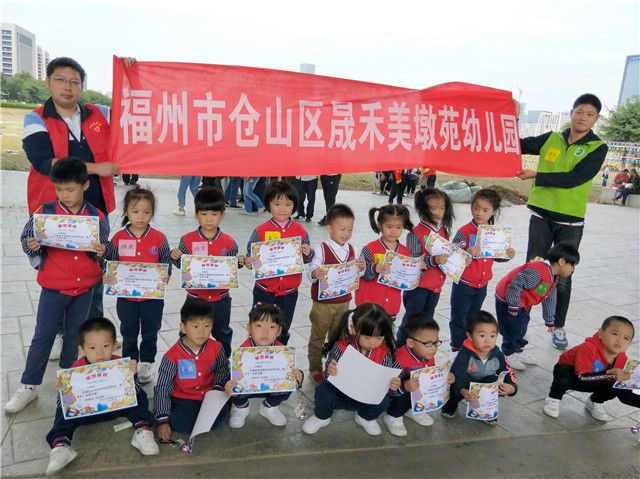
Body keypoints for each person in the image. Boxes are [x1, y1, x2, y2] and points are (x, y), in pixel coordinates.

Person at [23, 56, 124, 340]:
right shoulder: (35, 118)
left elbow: (132, 110)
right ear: (48, 82)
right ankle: (61, 332)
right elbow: (44, 162)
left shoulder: (99, 112)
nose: (67, 87)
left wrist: (131, 73)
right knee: (59, 272)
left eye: (74, 82)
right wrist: (97, 168)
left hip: (95, 209)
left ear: (82, 86)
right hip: (55, 211)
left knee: (93, 268)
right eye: (60, 80)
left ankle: (94, 336)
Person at [5, 158, 109, 414]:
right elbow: (26, 238)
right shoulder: (45, 213)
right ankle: (28, 385)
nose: (65, 195)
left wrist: (101, 251)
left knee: (74, 336)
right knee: (43, 335)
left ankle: (67, 378)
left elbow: (104, 250)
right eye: (59, 189)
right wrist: (32, 246)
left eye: (70, 189)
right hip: (53, 288)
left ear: (85, 185)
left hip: (84, 290)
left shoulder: (97, 216)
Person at [517, 93, 607, 350]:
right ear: (571, 112)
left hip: (570, 222)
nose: (583, 118)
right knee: (532, 271)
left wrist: (537, 175)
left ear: (596, 119)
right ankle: (519, 326)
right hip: (541, 216)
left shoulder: (597, 148)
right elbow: (517, 144)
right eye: (579, 112)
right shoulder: (552, 138)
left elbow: (575, 178)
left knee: (563, 275)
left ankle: (558, 327)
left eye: (589, 114)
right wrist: (510, 120)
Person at [44, 317, 158, 476]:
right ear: (82, 350)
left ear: (114, 345)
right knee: (62, 410)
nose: (100, 353)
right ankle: (61, 445)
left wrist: (132, 377)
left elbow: (135, 390)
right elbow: (63, 404)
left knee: (140, 396)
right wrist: (65, 393)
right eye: (92, 347)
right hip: (86, 414)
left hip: (117, 408)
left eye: (106, 346)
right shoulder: (75, 371)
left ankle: (142, 430)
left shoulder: (120, 365)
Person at [104, 186, 171, 383]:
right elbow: (110, 261)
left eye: (146, 212)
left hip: (152, 299)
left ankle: (147, 362)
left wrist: (166, 275)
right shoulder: (118, 238)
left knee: (151, 331)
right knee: (128, 331)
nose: (141, 216)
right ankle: (130, 362)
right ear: (126, 211)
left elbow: (166, 261)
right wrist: (107, 274)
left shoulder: (159, 238)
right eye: (135, 211)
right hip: (126, 299)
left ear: (152, 213)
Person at [302, 303, 401, 436]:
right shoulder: (342, 346)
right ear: (354, 329)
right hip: (341, 392)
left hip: (367, 395)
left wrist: (393, 385)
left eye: (379, 338)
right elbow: (327, 375)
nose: (373, 343)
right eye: (367, 337)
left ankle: (365, 418)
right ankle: (322, 417)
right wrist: (330, 370)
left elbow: (385, 382)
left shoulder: (385, 352)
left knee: (385, 399)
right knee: (323, 390)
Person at [170, 187, 244, 357]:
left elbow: (231, 269)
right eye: (204, 214)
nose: (209, 218)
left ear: (222, 215)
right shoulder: (187, 240)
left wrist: (239, 262)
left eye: (214, 214)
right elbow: (182, 265)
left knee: (222, 333)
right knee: (189, 333)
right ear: (196, 215)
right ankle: (188, 361)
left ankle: (223, 362)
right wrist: (175, 256)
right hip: (194, 299)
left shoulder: (229, 243)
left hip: (221, 300)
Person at [245, 181, 314, 344]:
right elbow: (251, 252)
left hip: (289, 293)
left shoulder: (300, 231)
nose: (282, 209)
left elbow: (306, 259)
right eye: (277, 204)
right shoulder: (261, 230)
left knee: (282, 328)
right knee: (259, 327)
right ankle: (257, 356)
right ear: (268, 205)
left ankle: (280, 355)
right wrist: (249, 260)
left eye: (287, 204)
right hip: (264, 291)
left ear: (294, 205)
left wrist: (308, 253)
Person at [494, 242, 580, 370]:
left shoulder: (552, 277)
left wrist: (550, 320)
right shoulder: (538, 272)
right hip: (508, 300)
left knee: (521, 326)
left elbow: (549, 298)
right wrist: (513, 305)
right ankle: (508, 354)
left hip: (522, 303)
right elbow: (516, 284)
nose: (573, 269)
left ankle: (517, 350)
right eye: (572, 265)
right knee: (512, 329)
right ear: (562, 261)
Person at [449, 189, 515, 352]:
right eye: (476, 208)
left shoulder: (495, 234)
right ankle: (457, 347)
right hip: (464, 285)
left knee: (474, 318)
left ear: (494, 211)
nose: (479, 213)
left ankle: (470, 346)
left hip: (482, 286)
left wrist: (507, 255)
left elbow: (496, 256)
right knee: (459, 318)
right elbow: (451, 254)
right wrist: (466, 252)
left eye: (485, 210)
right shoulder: (464, 231)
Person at [154, 298, 230, 440]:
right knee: (181, 421)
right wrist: (162, 421)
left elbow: (222, 369)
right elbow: (163, 388)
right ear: (183, 327)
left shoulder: (217, 348)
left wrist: (218, 388)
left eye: (207, 326)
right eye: (195, 326)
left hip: (209, 395)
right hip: (183, 399)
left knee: (221, 415)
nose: (201, 332)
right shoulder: (171, 357)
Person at [307, 204, 365, 384]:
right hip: (322, 304)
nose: (346, 233)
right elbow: (310, 273)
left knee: (338, 336)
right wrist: (315, 273)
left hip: (343, 302)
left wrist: (361, 267)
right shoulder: (321, 249)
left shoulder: (353, 249)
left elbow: (358, 273)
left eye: (350, 229)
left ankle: (333, 366)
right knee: (318, 336)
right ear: (330, 229)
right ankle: (315, 368)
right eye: (342, 229)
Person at [543, 316, 639, 420]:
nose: (620, 340)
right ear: (601, 333)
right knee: (564, 373)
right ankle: (554, 398)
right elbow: (582, 378)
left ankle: (594, 401)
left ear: (629, 343)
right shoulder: (588, 348)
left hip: (595, 380)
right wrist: (610, 375)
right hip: (574, 376)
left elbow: (625, 394)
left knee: (617, 385)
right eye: (615, 334)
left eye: (626, 338)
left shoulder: (623, 359)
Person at [225, 304, 304, 428]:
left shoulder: (283, 353)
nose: (265, 332)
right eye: (259, 325)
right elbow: (234, 375)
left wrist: (298, 376)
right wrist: (233, 379)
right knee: (231, 381)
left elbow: (293, 375)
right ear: (249, 328)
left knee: (289, 381)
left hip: (272, 387)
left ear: (279, 331)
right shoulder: (241, 353)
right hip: (248, 389)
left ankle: (269, 406)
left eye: (272, 327)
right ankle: (241, 407)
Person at [396, 188, 455, 346]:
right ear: (423, 208)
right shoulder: (415, 234)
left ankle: (419, 349)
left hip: (435, 286)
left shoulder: (443, 231)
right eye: (434, 208)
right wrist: (434, 260)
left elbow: (447, 255)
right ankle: (400, 348)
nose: (439, 212)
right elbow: (413, 263)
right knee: (411, 321)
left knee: (427, 321)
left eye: (442, 208)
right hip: (418, 288)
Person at [383, 314, 454, 437]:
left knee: (425, 380)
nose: (434, 348)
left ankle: (413, 409)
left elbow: (431, 377)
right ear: (411, 343)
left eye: (436, 342)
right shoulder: (399, 360)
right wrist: (405, 386)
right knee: (408, 385)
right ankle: (393, 416)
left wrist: (444, 378)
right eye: (428, 343)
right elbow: (388, 389)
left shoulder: (427, 355)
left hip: (414, 392)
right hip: (396, 394)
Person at [441, 311, 517, 423]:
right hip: (465, 382)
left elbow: (508, 372)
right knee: (453, 381)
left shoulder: (498, 354)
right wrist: (463, 391)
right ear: (470, 336)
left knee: (494, 381)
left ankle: (487, 410)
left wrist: (511, 387)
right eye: (482, 335)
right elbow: (458, 375)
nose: (488, 340)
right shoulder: (464, 354)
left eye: (492, 336)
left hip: (484, 382)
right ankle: (451, 404)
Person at [355, 205, 414, 320]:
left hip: (391, 306)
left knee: (387, 331)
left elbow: (408, 280)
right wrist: (374, 268)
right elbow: (361, 273)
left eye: (398, 227)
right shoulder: (369, 248)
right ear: (380, 225)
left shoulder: (405, 253)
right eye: (389, 226)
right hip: (368, 306)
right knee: (366, 331)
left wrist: (416, 269)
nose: (394, 231)